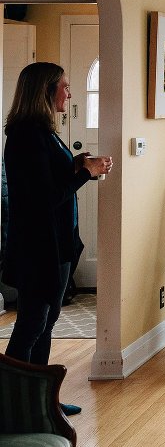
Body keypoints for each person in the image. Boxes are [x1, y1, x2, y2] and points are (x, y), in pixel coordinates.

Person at [3, 62, 112, 415]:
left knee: (46, 323)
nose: (70, 92)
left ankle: (42, 400)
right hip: (39, 248)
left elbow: (50, 176)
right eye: (64, 86)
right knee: (32, 324)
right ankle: (11, 403)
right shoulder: (26, 135)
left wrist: (79, 163)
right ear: (46, 91)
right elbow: (45, 197)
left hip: (58, 245)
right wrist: (86, 173)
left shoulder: (42, 131)